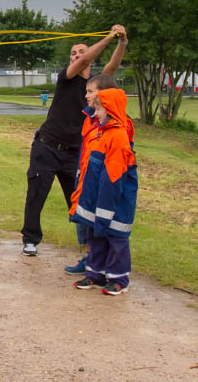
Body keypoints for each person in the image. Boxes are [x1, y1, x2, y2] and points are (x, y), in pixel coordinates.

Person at [21, 25, 128, 256]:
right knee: (36, 195)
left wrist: (122, 42)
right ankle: (30, 239)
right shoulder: (66, 77)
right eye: (73, 53)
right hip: (47, 147)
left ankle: (88, 249)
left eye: (81, 52)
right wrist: (109, 36)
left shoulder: (96, 86)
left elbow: (112, 67)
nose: (77, 56)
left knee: (80, 201)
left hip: (74, 152)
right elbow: (84, 62)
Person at [64, 74, 135, 274]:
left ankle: (109, 270)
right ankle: (91, 261)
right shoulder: (91, 117)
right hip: (87, 177)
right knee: (86, 222)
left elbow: (117, 162)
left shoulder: (118, 126)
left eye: (90, 91)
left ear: (105, 95)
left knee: (105, 227)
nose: (86, 96)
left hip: (103, 180)